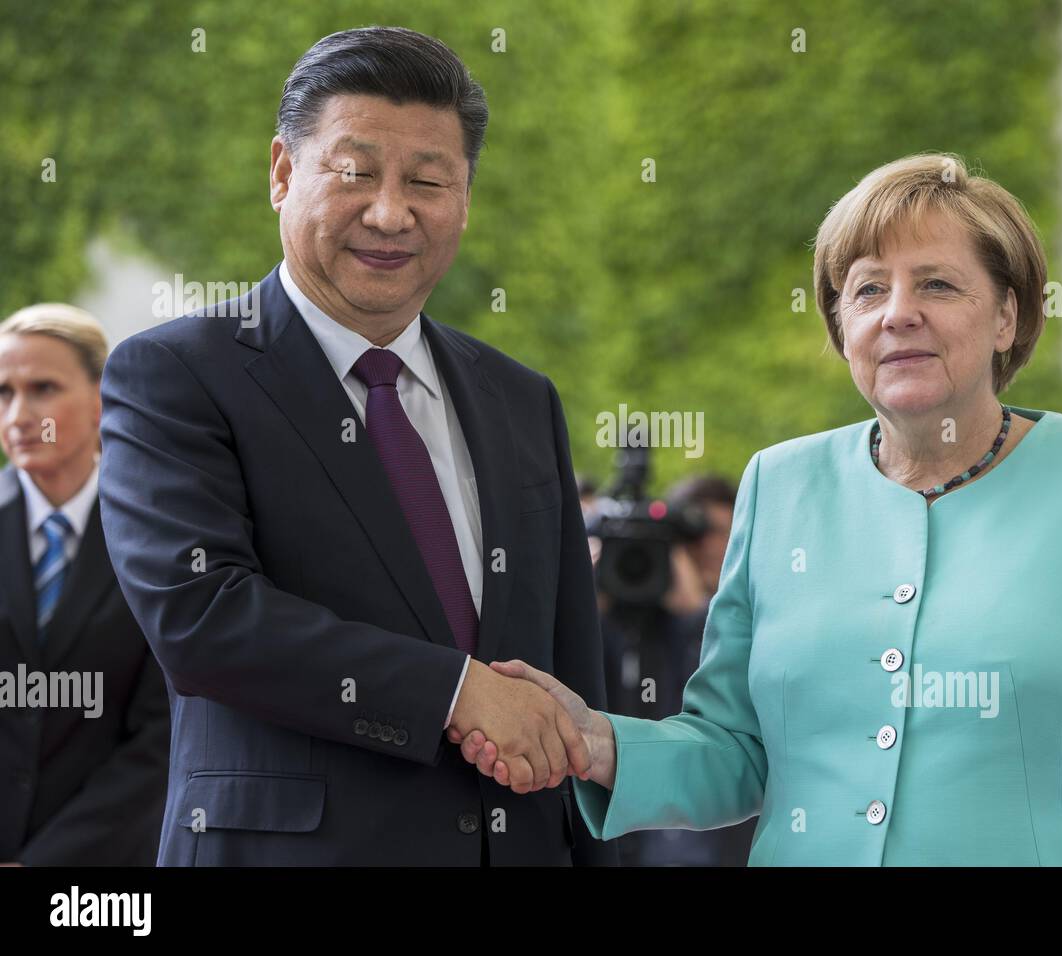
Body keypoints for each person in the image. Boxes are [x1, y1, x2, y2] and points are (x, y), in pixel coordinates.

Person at [451, 153, 1062, 865]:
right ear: (842, 326)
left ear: (1008, 317)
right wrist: (596, 740)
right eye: (867, 288)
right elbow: (740, 752)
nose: (897, 313)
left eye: (937, 283)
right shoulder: (778, 483)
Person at [97, 27, 612, 866]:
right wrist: (455, 691)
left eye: (428, 181)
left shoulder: (521, 398)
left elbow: (570, 680)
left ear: (465, 197)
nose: (390, 212)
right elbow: (202, 617)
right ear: (281, 173)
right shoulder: (174, 375)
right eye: (355, 172)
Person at [0, 304, 169, 865]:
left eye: (43, 388)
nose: (19, 415)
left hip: (102, 870)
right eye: (4, 393)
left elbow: (161, 735)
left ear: (103, 398)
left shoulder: (161, 534)